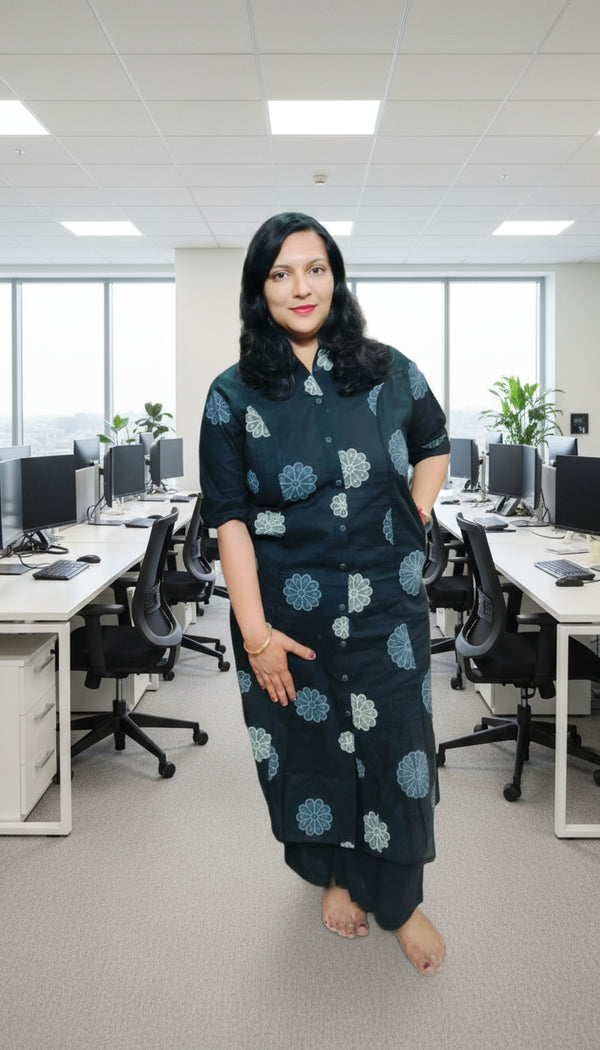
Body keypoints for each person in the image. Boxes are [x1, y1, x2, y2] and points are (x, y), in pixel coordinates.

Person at [199, 213, 450, 975]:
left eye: (314, 269)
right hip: (289, 618)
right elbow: (229, 520)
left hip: (388, 614)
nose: (300, 287)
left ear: (335, 277)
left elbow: (435, 445)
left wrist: (415, 513)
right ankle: (338, 875)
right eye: (280, 274)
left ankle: (399, 900)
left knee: (399, 752)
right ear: (260, 290)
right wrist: (256, 635)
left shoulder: (390, 372)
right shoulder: (233, 395)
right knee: (312, 752)